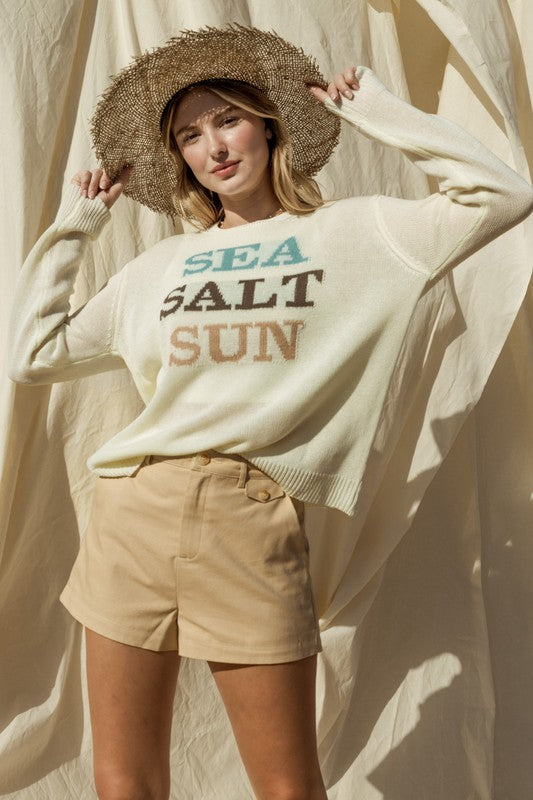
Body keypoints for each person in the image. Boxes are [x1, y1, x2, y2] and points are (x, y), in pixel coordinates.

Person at [7, 24, 533, 800]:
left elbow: (505, 195)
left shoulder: (361, 233)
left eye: (227, 119)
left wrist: (378, 111)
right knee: (122, 784)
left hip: (249, 516)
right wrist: (76, 229)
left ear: (267, 124)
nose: (212, 146)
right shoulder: (157, 269)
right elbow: (32, 353)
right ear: (179, 158)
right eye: (189, 134)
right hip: (134, 510)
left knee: (287, 786)